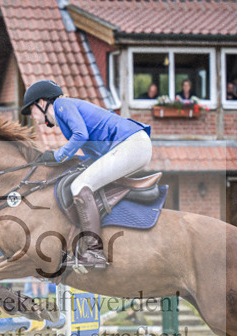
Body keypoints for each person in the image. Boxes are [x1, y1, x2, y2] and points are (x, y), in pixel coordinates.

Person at [21, 79, 153, 270]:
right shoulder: (66, 112)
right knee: (87, 181)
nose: (31, 116)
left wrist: (57, 155)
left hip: (131, 144)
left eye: (30, 110)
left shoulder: (61, 105)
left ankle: (95, 251)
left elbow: (80, 135)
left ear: (41, 103)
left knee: (79, 186)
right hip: (134, 144)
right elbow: (92, 154)